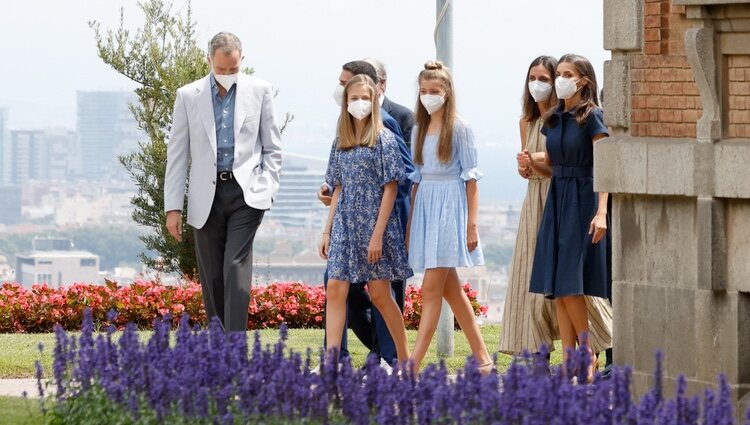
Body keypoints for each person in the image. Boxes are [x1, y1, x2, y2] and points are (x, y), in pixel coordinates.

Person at [164, 32, 282, 332]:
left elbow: (272, 147)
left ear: (241, 60)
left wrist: (267, 187)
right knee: (213, 276)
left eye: (233, 69)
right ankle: (219, 352)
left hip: (246, 194)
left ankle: (235, 349)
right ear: (209, 61)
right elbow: (177, 154)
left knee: (235, 266)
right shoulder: (188, 95)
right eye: (221, 69)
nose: (228, 75)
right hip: (207, 196)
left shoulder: (261, 90)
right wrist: (173, 208)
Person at [500, 56, 612, 360]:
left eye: (567, 74)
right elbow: (551, 165)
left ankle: (586, 354)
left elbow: (605, 166)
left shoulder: (593, 117)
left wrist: (602, 212)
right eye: (559, 73)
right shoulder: (553, 119)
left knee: (570, 286)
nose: (560, 79)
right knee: (556, 287)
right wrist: (530, 161)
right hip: (557, 199)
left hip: (584, 199)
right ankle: (568, 361)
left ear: (583, 81)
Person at [319, 60, 414, 366]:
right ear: (345, 101)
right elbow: (338, 187)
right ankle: (332, 362)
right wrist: (327, 230)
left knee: (381, 296)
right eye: (353, 98)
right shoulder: (341, 141)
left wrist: (377, 237)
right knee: (335, 288)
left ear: (374, 100)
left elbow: (390, 188)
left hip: (376, 227)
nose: (359, 103)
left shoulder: (384, 138)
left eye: (364, 98)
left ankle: (403, 359)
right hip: (346, 226)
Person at [406, 61, 493, 374]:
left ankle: (413, 364)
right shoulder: (418, 128)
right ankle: (483, 359)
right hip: (427, 208)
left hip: (449, 209)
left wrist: (471, 225)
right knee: (451, 290)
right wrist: (411, 223)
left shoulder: (460, 128)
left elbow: (471, 180)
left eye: (435, 91)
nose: (429, 96)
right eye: (424, 91)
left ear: (447, 93)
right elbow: (416, 181)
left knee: (431, 288)